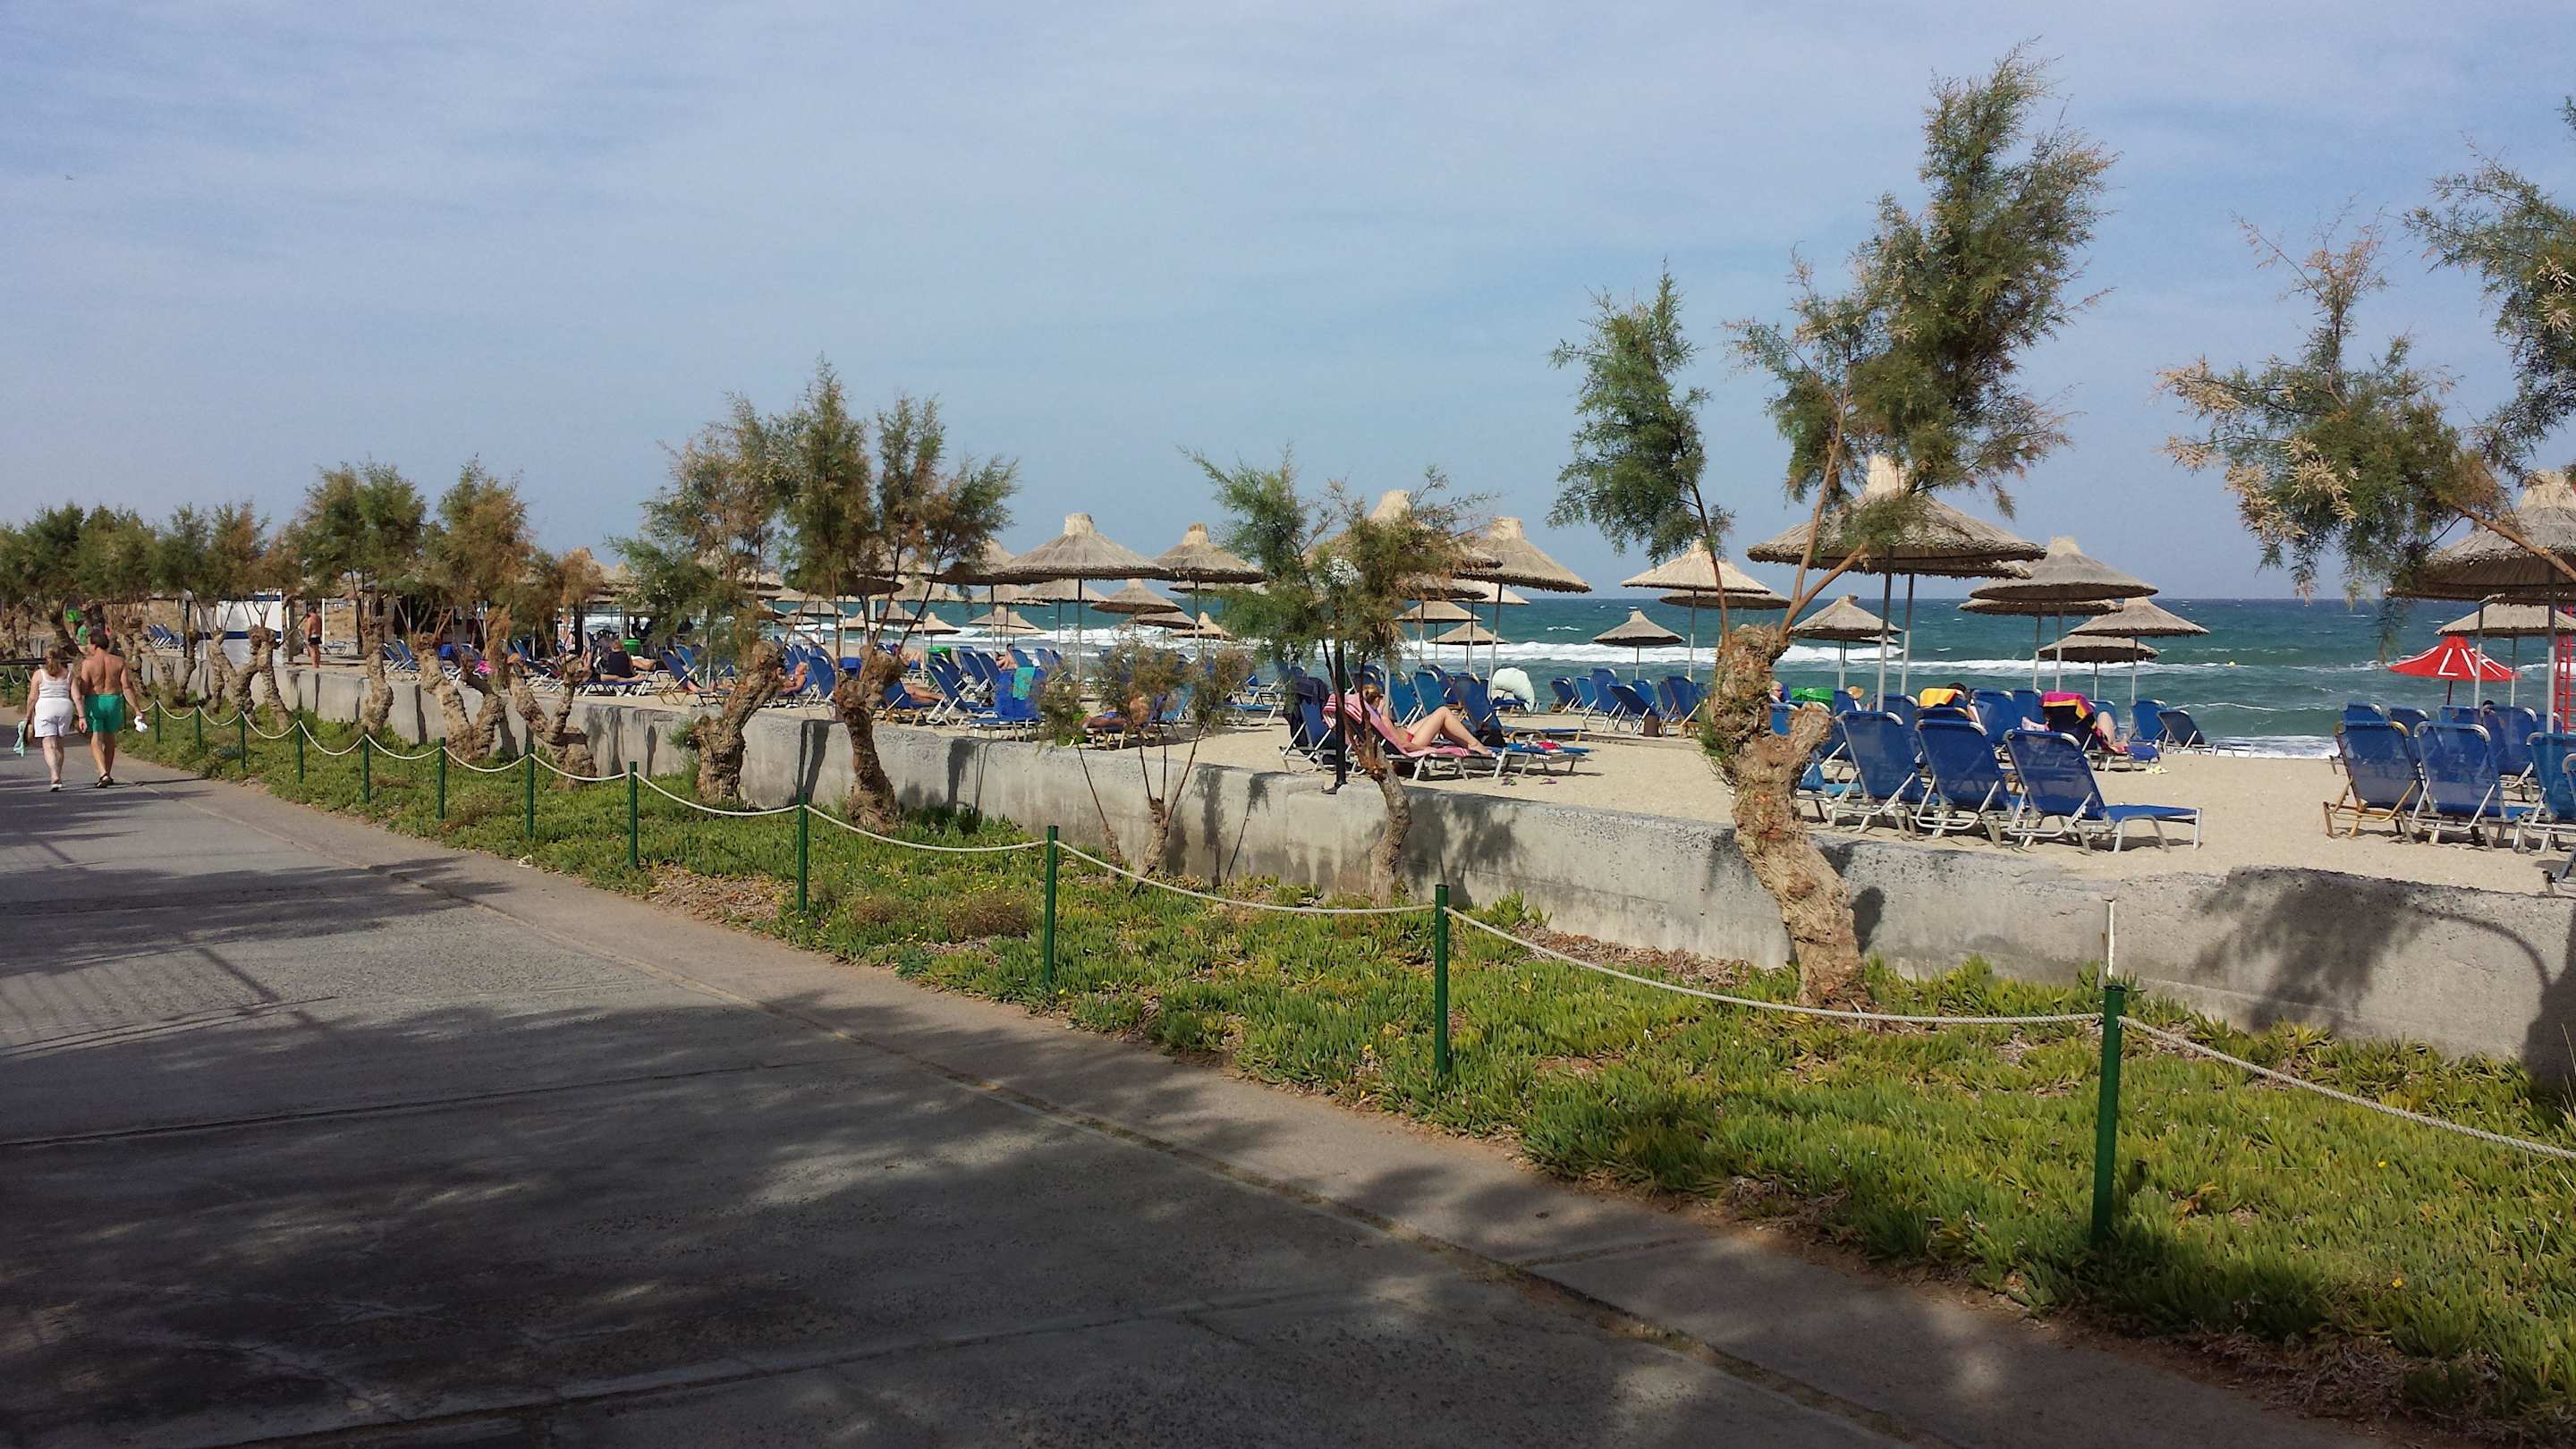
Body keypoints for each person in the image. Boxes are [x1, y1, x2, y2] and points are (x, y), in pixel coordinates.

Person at [1339, 682, 1491, 758]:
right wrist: (1425, 749)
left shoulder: (1371, 719)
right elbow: (1402, 745)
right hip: (1413, 742)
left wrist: (1379, 709)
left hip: (1407, 734)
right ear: (1377, 699)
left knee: (1437, 717)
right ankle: (1474, 744)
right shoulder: (1383, 720)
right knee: (1443, 712)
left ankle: (1469, 743)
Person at [74, 633, 133, 786]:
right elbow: (126, 687)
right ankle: (108, 771)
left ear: (94, 645)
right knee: (110, 737)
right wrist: (137, 709)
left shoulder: (88, 663)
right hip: (113, 700)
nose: (88, 647)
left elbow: (84, 688)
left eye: (89, 644)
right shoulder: (119, 661)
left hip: (95, 700)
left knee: (96, 736)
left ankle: (103, 772)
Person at [23, 646, 83, 791]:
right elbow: (77, 697)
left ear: (45, 658)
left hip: (45, 708)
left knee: (49, 744)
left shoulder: (39, 674)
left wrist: (28, 716)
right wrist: (82, 716)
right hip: (64, 707)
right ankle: (58, 776)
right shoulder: (69, 674)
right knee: (59, 743)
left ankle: (54, 774)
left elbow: (32, 698)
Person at [301, 601, 324, 669]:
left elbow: (309, 629)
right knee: (317, 651)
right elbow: (321, 627)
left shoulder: (310, 619)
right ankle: (318, 664)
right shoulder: (318, 618)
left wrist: (307, 638)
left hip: (312, 636)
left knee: (312, 652)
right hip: (317, 635)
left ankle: (314, 665)